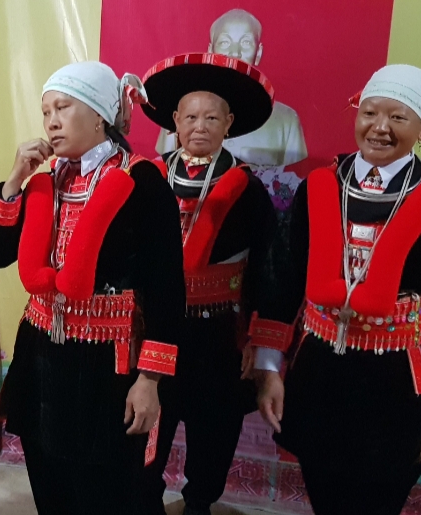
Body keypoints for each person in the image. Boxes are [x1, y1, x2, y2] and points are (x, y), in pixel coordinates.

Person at [250, 64, 421, 515]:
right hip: (321, 377)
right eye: (370, 113)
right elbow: (281, 277)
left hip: (398, 388)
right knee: (325, 497)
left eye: (398, 117)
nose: (379, 127)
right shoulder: (319, 188)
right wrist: (268, 368)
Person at [0, 61, 185, 514]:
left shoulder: (143, 182)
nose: (51, 120)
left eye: (63, 107)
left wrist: (149, 380)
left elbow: (167, 288)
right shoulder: (43, 181)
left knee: (105, 492)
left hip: (107, 369)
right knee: (49, 484)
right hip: (41, 359)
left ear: (99, 115)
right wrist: (14, 180)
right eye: (46, 111)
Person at [137, 53, 278, 515]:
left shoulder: (249, 189)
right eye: (191, 117)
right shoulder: (148, 179)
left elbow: (267, 266)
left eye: (212, 118)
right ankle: (147, 501)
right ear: (175, 120)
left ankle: (199, 504)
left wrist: (257, 338)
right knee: (148, 427)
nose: (200, 126)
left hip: (218, 335)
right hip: (157, 330)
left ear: (229, 123)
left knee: (213, 431)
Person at [155, 9, 307, 172]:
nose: (235, 52)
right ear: (211, 51)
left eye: (246, 43)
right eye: (225, 43)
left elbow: (293, 177)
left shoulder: (286, 121)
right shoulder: (182, 112)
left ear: (258, 53)